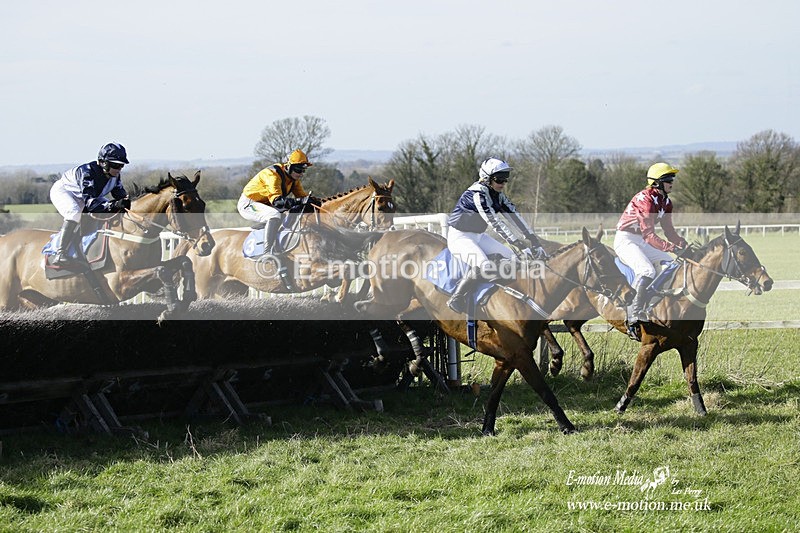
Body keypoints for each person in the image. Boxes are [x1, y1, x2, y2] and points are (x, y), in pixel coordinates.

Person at [445, 157, 546, 312]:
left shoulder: (497, 194)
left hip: (479, 236)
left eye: (505, 180)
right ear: (486, 179)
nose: (503, 184)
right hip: (460, 237)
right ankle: (456, 298)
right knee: (484, 265)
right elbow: (495, 222)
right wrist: (517, 243)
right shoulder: (476, 195)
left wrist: (533, 239)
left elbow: (514, 215)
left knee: (511, 259)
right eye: (499, 180)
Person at [614, 162, 689, 339]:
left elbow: (669, 231)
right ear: (656, 182)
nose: (672, 182)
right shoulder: (645, 200)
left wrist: (682, 244)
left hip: (642, 240)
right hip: (626, 239)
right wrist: (671, 247)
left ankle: (652, 304)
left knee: (671, 265)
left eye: (672, 179)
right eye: (668, 179)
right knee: (646, 270)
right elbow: (649, 235)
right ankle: (634, 314)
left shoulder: (666, 202)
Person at [49, 142, 131, 266]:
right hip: (65, 192)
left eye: (121, 166)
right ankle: (60, 253)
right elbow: (92, 205)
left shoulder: (115, 176)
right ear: (104, 163)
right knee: (74, 213)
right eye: (115, 165)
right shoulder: (87, 173)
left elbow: (121, 197)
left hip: (86, 197)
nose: (119, 169)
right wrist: (113, 205)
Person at [238, 149, 321, 254]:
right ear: (289, 167)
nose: (301, 174)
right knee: (274, 214)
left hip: (265, 204)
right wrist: (300, 201)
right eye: (299, 170)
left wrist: (318, 202)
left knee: (293, 212)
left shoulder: (293, 180)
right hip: (249, 204)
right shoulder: (272, 175)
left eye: (303, 171)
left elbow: (303, 197)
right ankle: (267, 253)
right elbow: (277, 202)